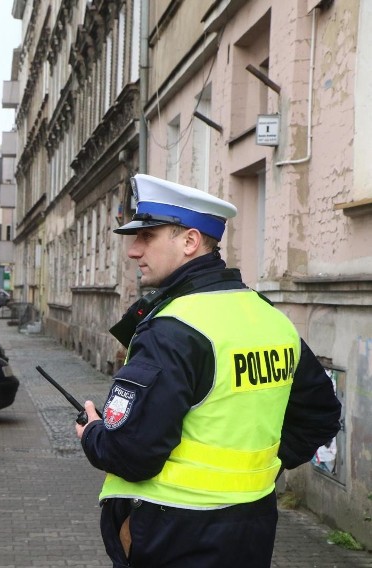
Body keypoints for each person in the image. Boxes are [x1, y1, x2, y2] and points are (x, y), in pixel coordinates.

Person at [75, 174, 341, 568]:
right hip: (253, 524)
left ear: (189, 241)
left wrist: (93, 432)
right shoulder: (269, 317)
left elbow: (131, 453)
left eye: (147, 236)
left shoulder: (173, 327)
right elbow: (321, 416)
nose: (134, 251)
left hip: (176, 530)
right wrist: (257, 469)